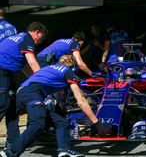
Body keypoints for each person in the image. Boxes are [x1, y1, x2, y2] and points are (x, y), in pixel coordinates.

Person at [0, 55, 111, 157]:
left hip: (22, 92)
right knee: (38, 123)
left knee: (61, 122)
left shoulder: (49, 68)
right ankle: (11, 152)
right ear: (73, 68)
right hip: (33, 93)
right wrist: (96, 122)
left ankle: (64, 149)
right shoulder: (68, 72)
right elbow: (81, 101)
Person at [0, 21, 48, 153]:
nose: (41, 41)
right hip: (2, 72)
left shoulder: (18, 37)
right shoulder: (27, 39)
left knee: (13, 107)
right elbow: (32, 62)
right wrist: (44, 83)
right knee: (2, 105)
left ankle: (13, 143)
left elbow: (26, 67)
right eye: (42, 37)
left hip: (7, 74)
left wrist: (31, 80)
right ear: (37, 32)